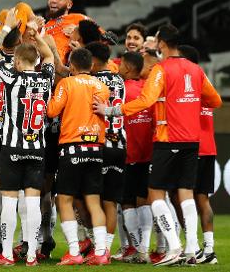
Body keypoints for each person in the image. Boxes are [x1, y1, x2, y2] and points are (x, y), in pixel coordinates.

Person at [93, 24, 222, 266]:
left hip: (167, 138)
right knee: (185, 193)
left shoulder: (161, 70)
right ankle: (192, 249)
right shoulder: (196, 70)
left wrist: (110, 110)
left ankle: (174, 247)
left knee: (155, 194)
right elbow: (215, 100)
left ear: (161, 43)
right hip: (192, 141)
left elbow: (145, 100)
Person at [0, 10, 54, 266]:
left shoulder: (12, 76)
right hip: (37, 149)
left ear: (17, 61)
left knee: (9, 202)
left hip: (12, 148)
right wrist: (37, 35)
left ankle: (5, 254)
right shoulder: (46, 79)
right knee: (34, 203)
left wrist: (7, 28)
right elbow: (47, 55)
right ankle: (32, 255)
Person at [47, 48, 110, 266]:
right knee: (93, 202)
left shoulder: (67, 83)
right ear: (91, 65)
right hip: (96, 148)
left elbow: (52, 111)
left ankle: (74, 251)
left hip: (72, 147)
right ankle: (102, 252)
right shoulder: (102, 86)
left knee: (63, 199)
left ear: (71, 66)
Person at [86, 42, 126, 263]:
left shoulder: (93, 82)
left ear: (92, 61)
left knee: (88, 198)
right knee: (110, 201)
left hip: (97, 144)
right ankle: (105, 251)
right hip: (119, 143)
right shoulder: (119, 79)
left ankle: (95, 244)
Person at [178, 44, 218, 265]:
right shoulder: (205, 82)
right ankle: (209, 250)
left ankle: (191, 246)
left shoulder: (189, 82)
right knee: (202, 199)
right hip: (208, 147)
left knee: (183, 197)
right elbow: (215, 102)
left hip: (191, 145)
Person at [118, 52, 155, 264]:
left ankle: (138, 249)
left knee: (128, 202)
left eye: (121, 64)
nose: (119, 67)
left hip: (129, 153)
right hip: (149, 153)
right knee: (145, 202)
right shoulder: (148, 89)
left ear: (129, 68)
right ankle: (145, 248)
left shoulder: (124, 90)